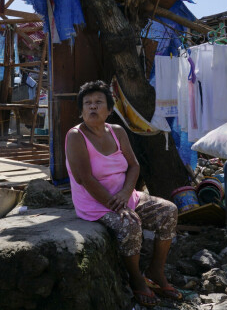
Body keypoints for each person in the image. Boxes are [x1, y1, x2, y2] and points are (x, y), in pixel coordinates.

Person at [65, 80, 181, 307]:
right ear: (81, 111)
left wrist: (127, 192)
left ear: (109, 109)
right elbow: (84, 179)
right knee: (130, 224)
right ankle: (136, 279)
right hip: (95, 202)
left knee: (169, 210)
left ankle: (156, 271)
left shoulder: (117, 131)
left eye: (99, 102)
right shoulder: (75, 136)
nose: (92, 107)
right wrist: (116, 204)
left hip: (126, 196)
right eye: (87, 103)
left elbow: (134, 166)